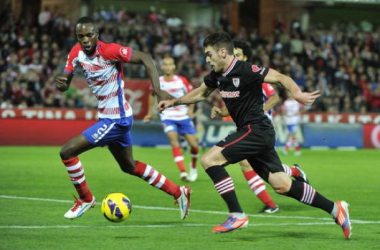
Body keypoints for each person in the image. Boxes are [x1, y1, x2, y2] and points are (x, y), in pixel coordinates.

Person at [157, 32, 351, 239]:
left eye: (209, 54)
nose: (206, 59)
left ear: (223, 52)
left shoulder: (246, 69)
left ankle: (236, 214)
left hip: (256, 129)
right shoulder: (217, 76)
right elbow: (199, 93)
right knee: (282, 185)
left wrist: (297, 93)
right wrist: (173, 102)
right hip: (254, 132)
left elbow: (280, 77)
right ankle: (335, 208)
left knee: (209, 159)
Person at [54, 16, 191, 221]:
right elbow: (66, 79)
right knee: (129, 166)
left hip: (116, 119)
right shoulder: (76, 53)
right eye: (80, 36)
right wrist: (63, 85)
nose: (85, 39)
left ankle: (85, 199)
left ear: (97, 34)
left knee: (67, 152)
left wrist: (158, 90)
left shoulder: (109, 51)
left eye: (89, 34)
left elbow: (146, 57)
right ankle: (178, 191)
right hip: (112, 116)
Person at [211, 40, 309, 214]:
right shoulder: (231, 78)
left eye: (238, 55)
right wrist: (221, 111)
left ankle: (269, 204)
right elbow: (232, 108)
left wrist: (261, 111)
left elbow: (275, 98)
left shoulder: (254, 76)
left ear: (246, 58)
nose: (235, 58)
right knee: (266, 167)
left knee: (246, 164)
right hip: (247, 128)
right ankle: (293, 172)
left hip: (260, 128)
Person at [144, 56, 199, 182]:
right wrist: (149, 113)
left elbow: (193, 94)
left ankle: (193, 167)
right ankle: (183, 172)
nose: (168, 67)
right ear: (162, 67)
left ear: (174, 66)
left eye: (170, 64)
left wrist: (191, 109)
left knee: (194, 145)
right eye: (165, 64)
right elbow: (152, 95)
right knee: (174, 141)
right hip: (167, 116)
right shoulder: (157, 81)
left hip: (183, 116)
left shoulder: (181, 80)